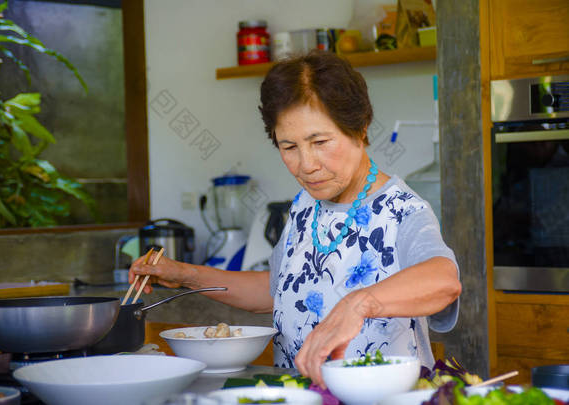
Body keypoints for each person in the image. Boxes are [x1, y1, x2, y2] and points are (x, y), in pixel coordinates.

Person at [130, 50, 461, 388]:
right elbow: (278, 290)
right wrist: (186, 275)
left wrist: (359, 304)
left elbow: (444, 280)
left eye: (320, 142)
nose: (306, 164)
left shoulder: (402, 209)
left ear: (360, 128)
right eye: (289, 147)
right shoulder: (305, 204)